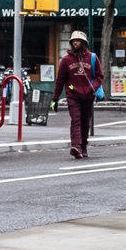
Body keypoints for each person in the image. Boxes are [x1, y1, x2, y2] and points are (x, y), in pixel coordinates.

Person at [51, 30, 103, 159]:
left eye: (78, 40)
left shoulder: (92, 57)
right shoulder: (66, 60)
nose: (75, 42)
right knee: (76, 120)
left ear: (84, 43)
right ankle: (76, 146)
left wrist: (93, 88)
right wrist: (55, 99)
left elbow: (99, 76)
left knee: (85, 122)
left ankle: (83, 146)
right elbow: (60, 80)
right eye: (73, 40)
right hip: (73, 94)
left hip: (88, 95)